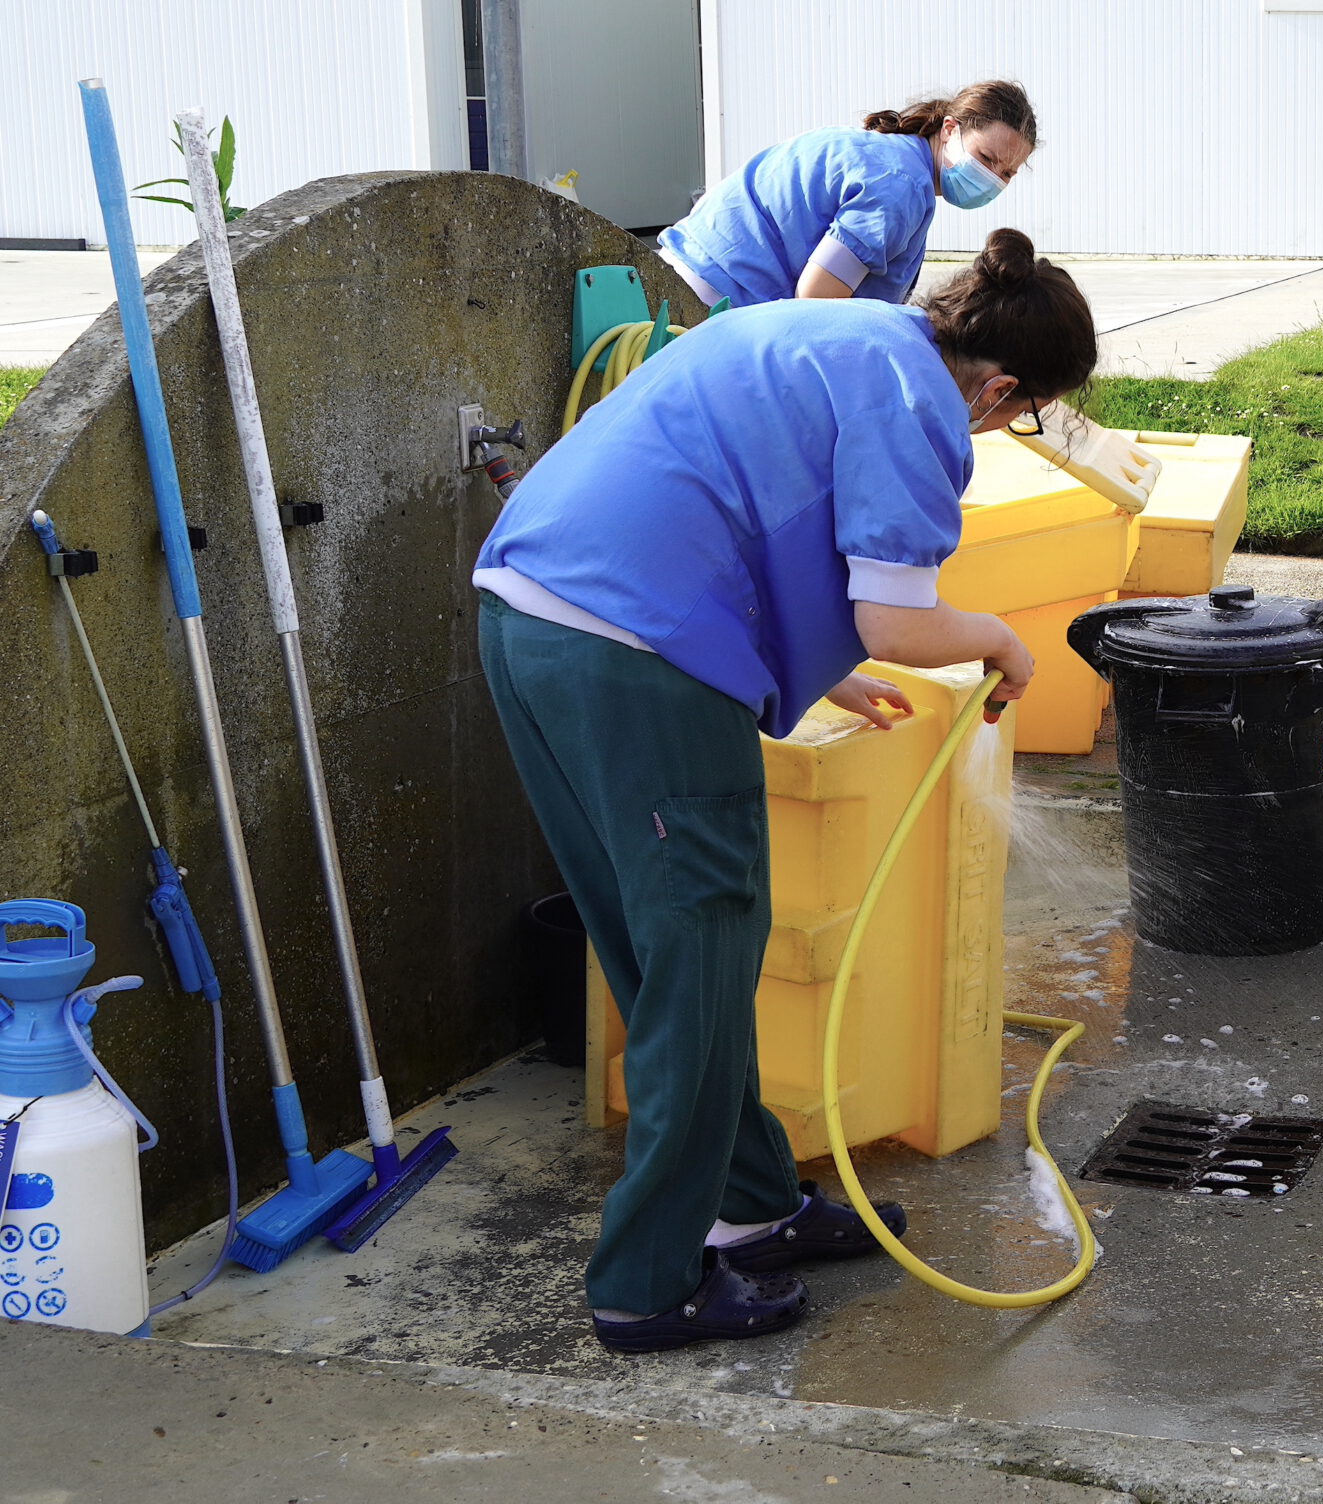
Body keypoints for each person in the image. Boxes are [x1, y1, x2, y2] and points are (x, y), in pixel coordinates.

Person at [473, 229, 1095, 1352]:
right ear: (1002, 387)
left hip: (531, 615)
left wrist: (821, 661)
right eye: (1022, 414)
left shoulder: (836, 331)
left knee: (666, 952)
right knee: (701, 958)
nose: (1005, 428)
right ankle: (648, 1281)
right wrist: (1000, 641)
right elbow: (904, 615)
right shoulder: (918, 405)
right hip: (642, 654)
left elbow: (746, 493)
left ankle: (753, 1202)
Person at [658, 81, 1037, 309]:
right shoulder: (901, 186)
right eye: (986, 158)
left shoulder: (891, 156)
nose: (991, 178)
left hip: (684, 271)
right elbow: (817, 301)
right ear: (950, 130)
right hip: (709, 300)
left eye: (1006, 173)